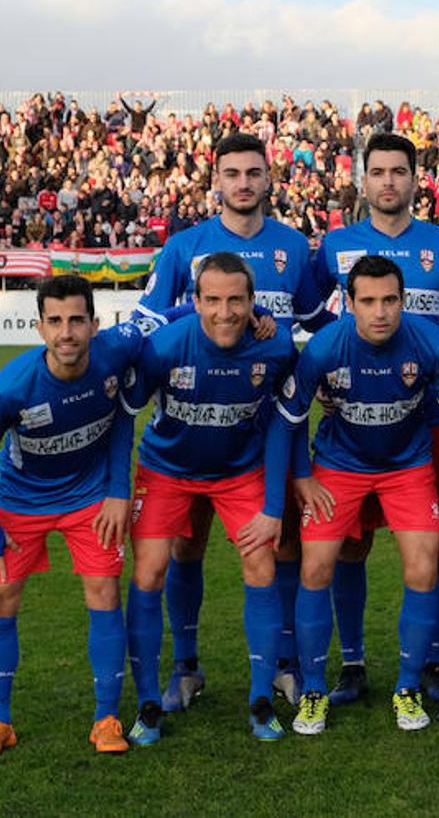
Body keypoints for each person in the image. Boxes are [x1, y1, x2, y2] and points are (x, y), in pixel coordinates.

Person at [132, 132, 326, 715]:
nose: (243, 183)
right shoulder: (183, 247)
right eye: (232, 173)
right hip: (186, 439)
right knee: (184, 552)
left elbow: (318, 323)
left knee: (282, 544)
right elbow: (149, 326)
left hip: (267, 436)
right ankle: (186, 666)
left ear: (269, 179)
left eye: (253, 172)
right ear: (215, 180)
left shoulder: (295, 247)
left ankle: (284, 665)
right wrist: (250, 312)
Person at [309, 132, 439, 707]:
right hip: (353, 422)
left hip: (429, 421)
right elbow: (313, 314)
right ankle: (354, 663)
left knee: (429, 547)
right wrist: (331, 379)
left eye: (399, 171)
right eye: (378, 171)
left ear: (415, 180)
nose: (388, 181)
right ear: (364, 181)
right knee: (350, 548)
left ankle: (428, 661)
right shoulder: (335, 245)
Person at [269, 255, 439, 734]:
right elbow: (288, 419)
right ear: (349, 303)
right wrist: (302, 477)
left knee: (424, 567)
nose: (380, 311)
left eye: (389, 300)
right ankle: (315, 690)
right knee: (316, 566)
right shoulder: (324, 348)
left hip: (408, 467)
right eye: (368, 301)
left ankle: (407, 686)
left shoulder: (430, 343)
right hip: (339, 467)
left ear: (403, 301)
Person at [0, 275, 144, 757]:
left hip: (90, 499)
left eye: (77, 320)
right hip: (21, 502)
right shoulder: (8, 387)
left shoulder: (115, 351)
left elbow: (174, 316)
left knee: (104, 592)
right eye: (56, 321)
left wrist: (117, 489)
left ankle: (106, 718)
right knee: (0, 599)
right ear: (39, 327)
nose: (67, 332)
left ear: (95, 324)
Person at [120, 253, 297, 744]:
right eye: (213, 300)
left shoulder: (276, 346)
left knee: (261, 565)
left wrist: (275, 506)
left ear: (252, 302)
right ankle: (152, 700)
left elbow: (287, 423)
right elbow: (124, 419)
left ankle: (261, 700)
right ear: (194, 301)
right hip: (167, 470)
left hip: (241, 472)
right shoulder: (164, 347)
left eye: (236, 300)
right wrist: (118, 492)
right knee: (149, 571)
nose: (225, 312)